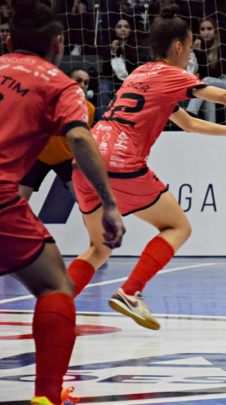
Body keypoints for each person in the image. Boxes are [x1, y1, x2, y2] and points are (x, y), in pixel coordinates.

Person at [67, 4, 226, 331]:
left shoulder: (140, 73)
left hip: (87, 157)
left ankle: (54, 306)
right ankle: (130, 292)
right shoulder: (173, 74)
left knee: (98, 247)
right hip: (121, 161)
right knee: (177, 227)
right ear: (179, 46)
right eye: (191, 47)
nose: (190, 54)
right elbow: (225, 96)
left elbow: (188, 123)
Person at [0, 2, 125, 404]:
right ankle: (46, 398)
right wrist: (108, 202)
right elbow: (79, 138)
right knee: (55, 285)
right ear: (58, 44)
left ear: (8, 41)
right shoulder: (58, 84)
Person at [19, 68, 96, 201]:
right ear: (68, 81)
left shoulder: (89, 109)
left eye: (86, 83)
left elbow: (83, 137)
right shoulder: (48, 101)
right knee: (16, 203)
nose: (82, 85)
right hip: (38, 156)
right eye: (78, 80)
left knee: (86, 204)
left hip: (67, 159)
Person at [185, 18, 226, 122]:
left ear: (215, 31)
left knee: (206, 81)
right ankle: (211, 125)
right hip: (211, 83)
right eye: (202, 29)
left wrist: (201, 55)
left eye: (209, 29)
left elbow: (216, 73)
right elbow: (202, 72)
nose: (206, 32)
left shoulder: (222, 46)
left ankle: (190, 112)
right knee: (208, 97)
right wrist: (197, 53)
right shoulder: (199, 46)